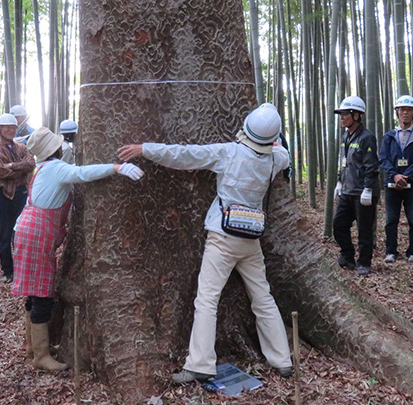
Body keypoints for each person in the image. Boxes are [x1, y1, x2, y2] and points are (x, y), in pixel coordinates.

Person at [118, 105, 293, 384]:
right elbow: (281, 150)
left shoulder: (229, 152)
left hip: (223, 237)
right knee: (263, 297)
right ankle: (282, 359)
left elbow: (184, 155)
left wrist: (145, 148)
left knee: (207, 299)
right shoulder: (276, 160)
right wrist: (275, 141)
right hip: (251, 239)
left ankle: (200, 363)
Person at [12, 127, 144, 371]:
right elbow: (83, 173)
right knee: (41, 292)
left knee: (34, 291)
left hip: (27, 230)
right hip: (36, 233)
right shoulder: (55, 168)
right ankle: (40, 356)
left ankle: (33, 347)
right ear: (56, 149)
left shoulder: (43, 168)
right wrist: (116, 168)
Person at [331, 96, 380, 276]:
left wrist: (368, 188)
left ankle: (364, 263)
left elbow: (371, 165)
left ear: (357, 115)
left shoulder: (367, 138)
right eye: (341, 114)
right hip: (347, 190)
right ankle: (348, 256)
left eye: (345, 114)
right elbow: (343, 161)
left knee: (364, 229)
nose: (342, 118)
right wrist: (339, 181)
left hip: (363, 192)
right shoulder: (345, 136)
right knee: (339, 224)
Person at [0, 113, 36, 283]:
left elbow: (31, 164)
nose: (11, 130)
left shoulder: (22, 148)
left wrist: (11, 166)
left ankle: (23, 268)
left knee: (22, 232)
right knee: (5, 234)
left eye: (13, 127)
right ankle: (8, 271)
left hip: (21, 194)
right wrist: (19, 170)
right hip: (4, 196)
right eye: (7, 127)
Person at [379, 95, 413, 264]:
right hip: (392, 185)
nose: (405, 113)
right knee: (391, 220)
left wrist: (406, 177)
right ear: (397, 113)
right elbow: (383, 159)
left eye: (409, 110)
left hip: (412, 185)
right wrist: (394, 175)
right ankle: (391, 251)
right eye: (402, 110)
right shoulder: (389, 136)